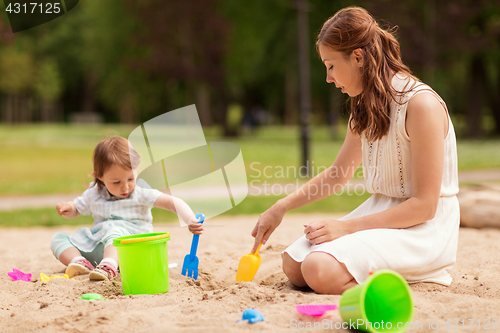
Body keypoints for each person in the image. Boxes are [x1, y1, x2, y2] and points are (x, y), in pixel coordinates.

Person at [251, 6, 459, 295]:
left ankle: (402, 283)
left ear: (358, 57)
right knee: (294, 264)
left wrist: (347, 228)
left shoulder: (420, 105)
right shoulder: (364, 106)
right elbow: (337, 175)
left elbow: (425, 206)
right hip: (381, 214)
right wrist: (280, 206)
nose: (328, 77)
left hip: (422, 229)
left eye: (331, 65)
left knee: (317, 269)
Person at [52, 136, 204, 281]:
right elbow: (77, 209)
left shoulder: (140, 193)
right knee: (58, 238)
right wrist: (69, 208)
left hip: (133, 249)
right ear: (100, 177)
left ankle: (109, 267)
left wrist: (190, 219)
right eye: (116, 182)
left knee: (114, 230)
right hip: (101, 247)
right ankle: (80, 263)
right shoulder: (94, 193)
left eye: (130, 178)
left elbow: (172, 202)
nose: (125, 186)